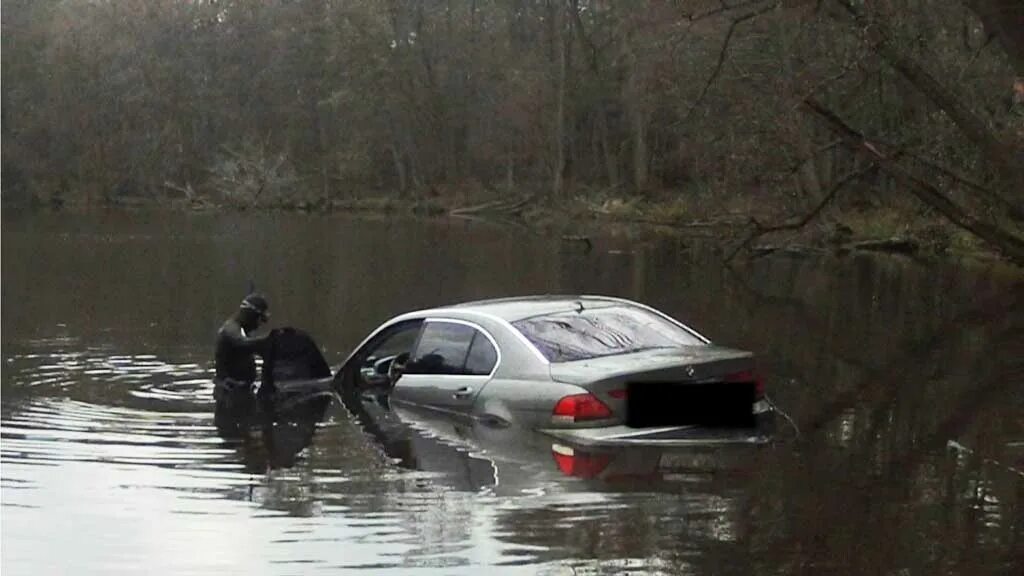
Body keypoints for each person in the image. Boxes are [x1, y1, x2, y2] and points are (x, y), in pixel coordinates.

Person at [213, 293, 273, 409]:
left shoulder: (242, 331)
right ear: (252, 316)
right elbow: (242, 343)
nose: (260, 324)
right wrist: (268, 341)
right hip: (229, 397)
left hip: (241, 392)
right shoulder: (231, 329)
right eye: (261, 319)